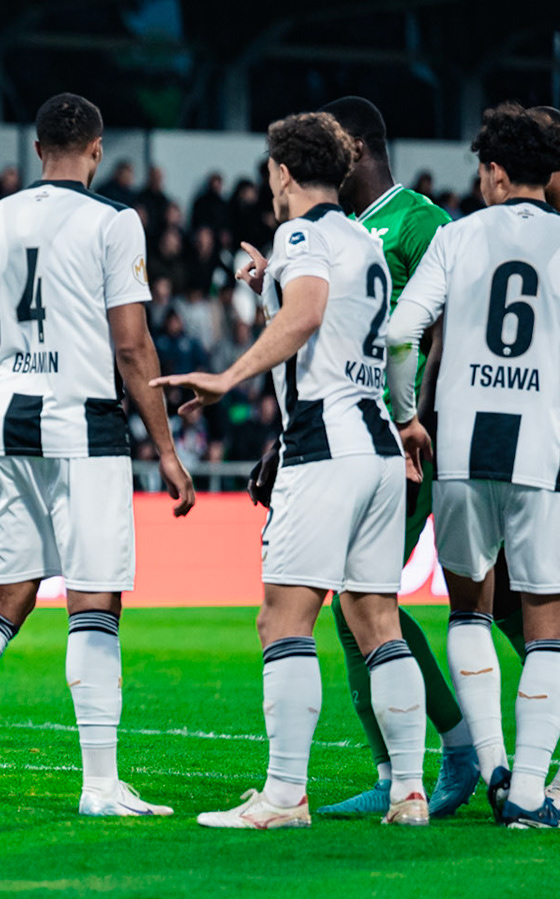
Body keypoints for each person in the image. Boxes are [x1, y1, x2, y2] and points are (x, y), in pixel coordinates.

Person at [0, 94, 194, 818]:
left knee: (2, 600)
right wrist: (166, 449)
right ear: (96, 149)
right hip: (86, 428)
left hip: (8, 427)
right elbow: (131, 343)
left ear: (37, 149)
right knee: (94, 603)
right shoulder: (113, 222)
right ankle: (100, 786)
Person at [159, 111, 429, 829]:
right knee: (377, 621)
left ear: (281, 172)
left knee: (282, 618)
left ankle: (283, 796)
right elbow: (350, 329)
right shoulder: (364, 242)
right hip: (377, 447)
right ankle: (409, 792)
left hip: (323, 447)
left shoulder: (300, 236)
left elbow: (307, 315)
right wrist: (265, 286)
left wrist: (227, 376)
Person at [302, 95, 482, 818]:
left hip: (411, 440)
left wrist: (420, 421)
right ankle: (398, 766)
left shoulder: (420, 222)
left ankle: (461, 749)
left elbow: (445, 329)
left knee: (374, 600)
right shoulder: (340, 232)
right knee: (356, 604)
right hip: (351, 433)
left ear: (355, 147)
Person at [383, 104, 560, 828]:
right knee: (546, 626)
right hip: (541, 453)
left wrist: (407, 418)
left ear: (494, 172)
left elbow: (401, 333)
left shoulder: (455, 238)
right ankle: (529, 795)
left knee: (468, 611)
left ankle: (493, 766)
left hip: (459, 451)